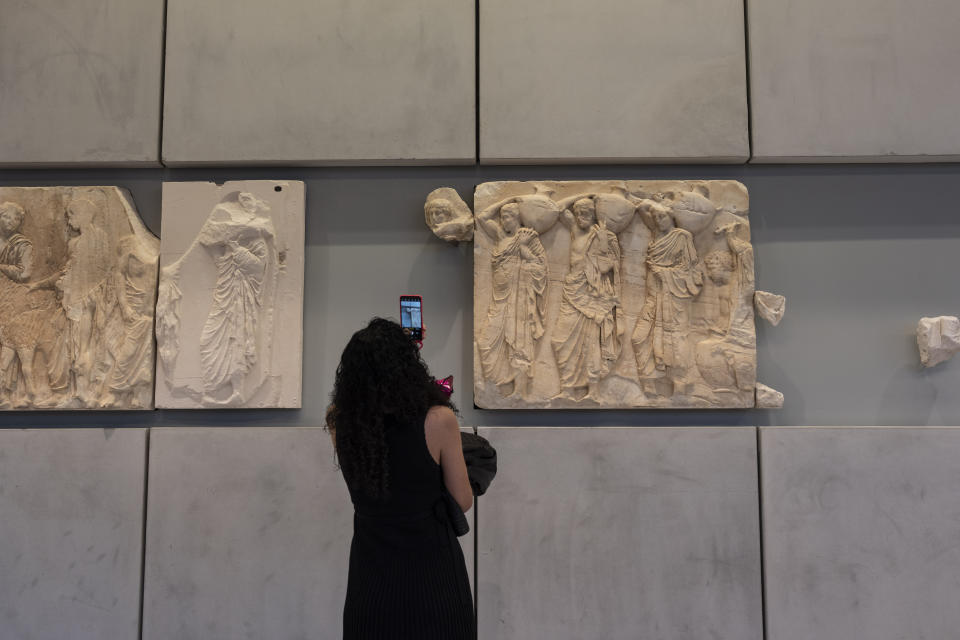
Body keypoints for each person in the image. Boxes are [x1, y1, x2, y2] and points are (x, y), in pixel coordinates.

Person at [326, 318, 474, 640]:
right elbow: (463, 500)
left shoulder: (339, 420)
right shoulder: (438, 420)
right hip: (433, 577)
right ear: (409, 367)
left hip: (371, 577)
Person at [550, 196, 622, 400]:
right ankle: (567, 389)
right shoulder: (575, 230)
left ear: (594, 216)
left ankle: (593, 392)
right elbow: (558, 206)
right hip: (572, 291)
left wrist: (603, 243)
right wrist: (588, 195)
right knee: (560, 340)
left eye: (587, 214)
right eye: (579, 213)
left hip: (593, 294)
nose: (582, 217)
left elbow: (608, 267)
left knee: (592, 344)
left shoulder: (602, 236)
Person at [476, 199, 548, 399]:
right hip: (499, 300)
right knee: (485, 343)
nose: (503, 220)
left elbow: (541, 268)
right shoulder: (500, 236)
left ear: (517, 218)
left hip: (519, 300)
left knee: (519, 341)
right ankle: (499, 379)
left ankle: (519, 389)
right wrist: (507, 200)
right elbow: (482, 217)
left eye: (507, 216)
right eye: (502, 217)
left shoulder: (529, 238)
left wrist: (523, 249)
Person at [632, 202, 703, 397]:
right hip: (653, 298)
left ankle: (679, 384)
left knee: (675, 340)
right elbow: (645, 211)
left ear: (671, 216)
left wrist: (664, 273)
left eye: (662, 217)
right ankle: (649, 381)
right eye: (656, 218)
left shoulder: (682, 237)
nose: (659, 221)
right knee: (639, 338)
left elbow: (694, 272)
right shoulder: (656, 237)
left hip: (674, 298)